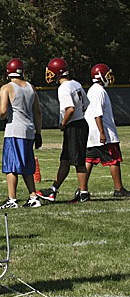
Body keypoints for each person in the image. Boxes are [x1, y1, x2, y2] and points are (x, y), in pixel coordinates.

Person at [37, 58, 90, 203]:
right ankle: (53, 190)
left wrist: (63, 123)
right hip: (79, 124)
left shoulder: (64, 87)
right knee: (65, 160)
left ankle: (84, 193)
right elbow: (86, 104)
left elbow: (70, 109)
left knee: (78, 161)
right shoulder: (76, 84)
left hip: (74, 126)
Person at [0, 58, 42, 209]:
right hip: (29, 130)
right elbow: (37, 112)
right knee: (27, 166)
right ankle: (33, 196)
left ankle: (12, 199)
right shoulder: (31, 87)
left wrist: (3, 117)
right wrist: (38, 132)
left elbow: (3, 111)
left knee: (11, 166)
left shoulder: (7, 87)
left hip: (14, 129)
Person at [85, 63, 130, 197]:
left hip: (92, 133)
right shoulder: (99, 91)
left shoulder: (93, 90)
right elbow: (97, 114)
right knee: (114, 159)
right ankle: (119, 189)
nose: (109, 78)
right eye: (107, 75)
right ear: (100, 76)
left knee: (89, 160)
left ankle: (82, 189)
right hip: (103, 133)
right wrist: (102, 132)